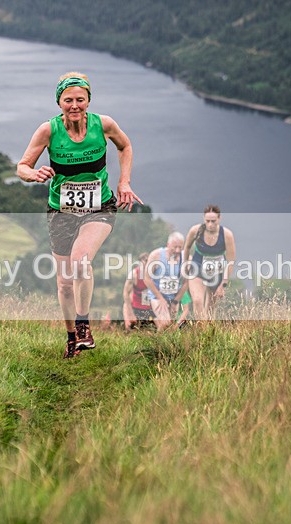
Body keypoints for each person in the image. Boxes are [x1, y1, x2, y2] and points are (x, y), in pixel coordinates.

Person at [17, 72, 142, 358]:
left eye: (80, 99)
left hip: (99, 207)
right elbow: (22, 166)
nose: (75, 105)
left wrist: (124, 182)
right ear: (59, 102)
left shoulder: (104, 124)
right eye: (68, 100)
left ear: (88, 100)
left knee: (80, 261)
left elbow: (125, 146)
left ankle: (84, 324)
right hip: (61, 210)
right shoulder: (48, 131)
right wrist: (34, 174)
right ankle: (72, 336)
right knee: (64, 283)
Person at [183, 205, 236, 321]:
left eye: (213, 221)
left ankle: (208, 331)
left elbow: (231, 261)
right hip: (198, 266)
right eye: (207, 221)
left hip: (217, 272)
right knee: (197, 300)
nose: (210, 224)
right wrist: (185, 265)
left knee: (210, 308)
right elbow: (186, 248)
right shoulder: (195, 230)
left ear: (219, 218)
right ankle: (201, 330)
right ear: (204, 219)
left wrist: (223, 284)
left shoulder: (227, 235)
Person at [143, 232, 188, 331]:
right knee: (165, 323)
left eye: (180, 247)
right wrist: (160, 298)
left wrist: (176, 301)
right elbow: (147, 278)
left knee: (171, 327)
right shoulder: (156, 255)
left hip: (173, 297)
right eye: (174, 247)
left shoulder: (185, 258)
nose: (177, 250)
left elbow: (186, 282)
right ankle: (157, 344)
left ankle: (160, 345)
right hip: (157, 296)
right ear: (168, 245)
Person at [122, 252, 154, 331]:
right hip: (137, 308)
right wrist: (130, 314)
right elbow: (126, 293)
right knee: (135, 331)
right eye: (145, 261)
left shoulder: (155, 274)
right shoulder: (134, 274)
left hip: (151, 309)